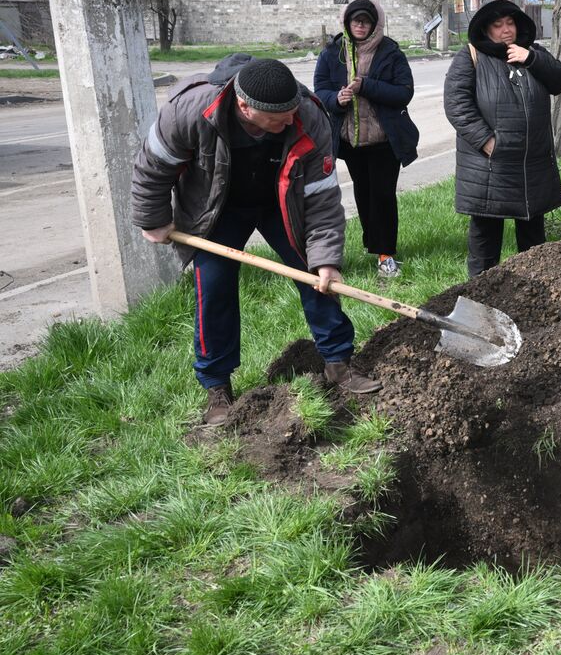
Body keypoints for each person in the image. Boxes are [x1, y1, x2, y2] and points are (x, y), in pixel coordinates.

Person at [132, 57, 381, 428]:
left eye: (292, 112)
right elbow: (153, 166)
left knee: (317, 279)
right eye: (278, 118)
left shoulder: (309, 117)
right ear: (245, 106)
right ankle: (217, 386)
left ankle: (338, 363)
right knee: (213, 287)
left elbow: (322, 196)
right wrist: (152, 218)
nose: (288, 122)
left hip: (282, 203)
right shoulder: (189, 111)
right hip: (218, 207)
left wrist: (326, 259)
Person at [444, 0, 561, 277]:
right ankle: (480, 298)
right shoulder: (470, 56)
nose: (506, 30)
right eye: (498, 25)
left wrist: (531, 59)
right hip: (492, 164)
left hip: (531, 164)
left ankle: (533, 293)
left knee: (533, 240)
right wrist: (487, 142)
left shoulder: (532, 53)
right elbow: (457, 104)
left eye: (510, 23)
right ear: (485, 29)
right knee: (485, 241)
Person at [314, 0, 420, 278]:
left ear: (375, 24)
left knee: (383, 195)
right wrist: (336, 98)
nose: (360, 25)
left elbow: (403, 92)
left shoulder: (390, 52)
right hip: (351, 141)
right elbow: (320, 90)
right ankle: (372, 245)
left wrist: (366, 86)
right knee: (363, 193)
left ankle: (386, 255)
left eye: (366, 20)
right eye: (355, 20)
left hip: (385, 140)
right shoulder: (332, 52)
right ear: (347, 23)